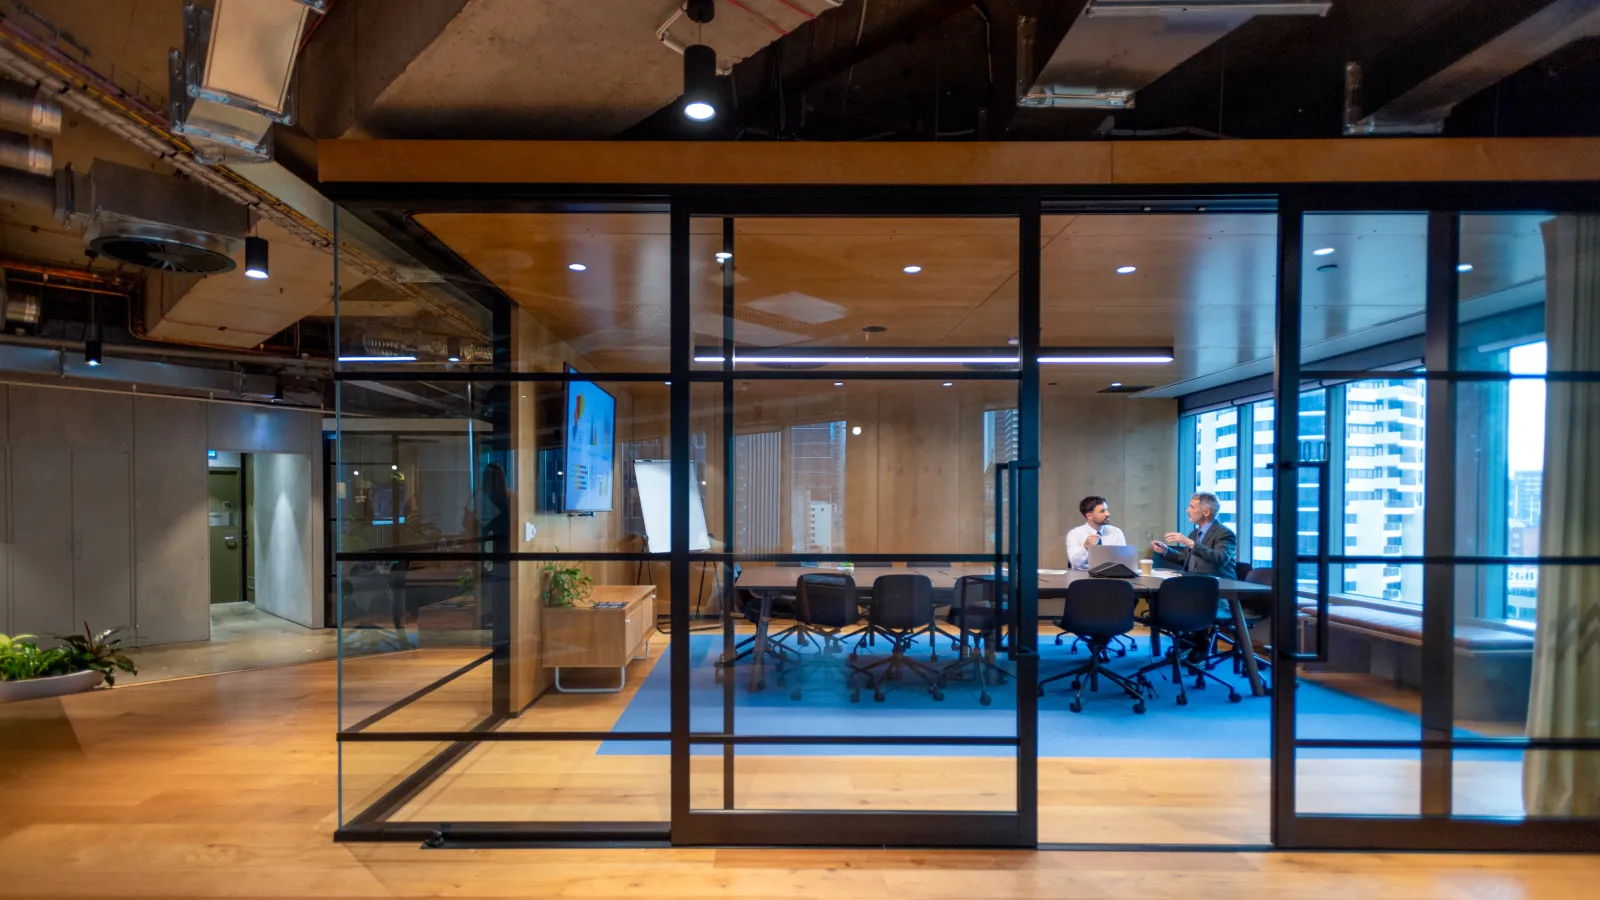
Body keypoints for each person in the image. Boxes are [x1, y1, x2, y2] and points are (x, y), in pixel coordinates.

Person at [1151, 492, 1238, 581]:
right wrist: (1165, 551)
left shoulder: (1225, 533)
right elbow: (1186, 559)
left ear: (1206, 512)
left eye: (1192, 507)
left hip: (1218, 586)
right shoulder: (1194, 533)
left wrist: (1191, 543)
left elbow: (1220, 559)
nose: (1187, 510)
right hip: (1194, 583)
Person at [1066, 495, 1127, 570]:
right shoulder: (1074, 534)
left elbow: (1124, 561)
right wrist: (1085, 547)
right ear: (1089, 516)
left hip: (1111, 575)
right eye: (1102, 511)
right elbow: (1074, 562)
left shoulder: (1116, 532)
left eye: (1106, 510)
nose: (1107, 514)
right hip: (1083, 575)